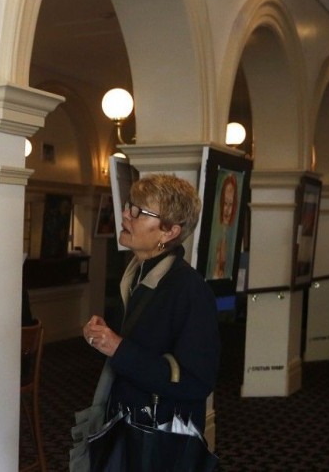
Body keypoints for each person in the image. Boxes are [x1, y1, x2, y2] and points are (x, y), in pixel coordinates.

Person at [83, 174, 220, 436]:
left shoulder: (190, 289)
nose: (125, 215)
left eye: (138, 212)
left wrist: (118, 348)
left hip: (159, 437)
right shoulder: (134, 274)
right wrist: (101, 339)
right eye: (128, 206)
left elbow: (197, 382)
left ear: (170, 231)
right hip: (123, 424)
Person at [208, 172, 239, 280]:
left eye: (230, 205)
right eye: (225, 203)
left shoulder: (233, 236)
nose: (227, 210)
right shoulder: (214, 233)